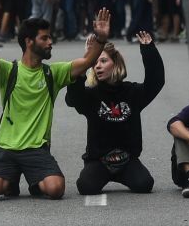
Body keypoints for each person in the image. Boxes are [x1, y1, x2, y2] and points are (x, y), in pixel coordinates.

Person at [0, 4, 110, 200]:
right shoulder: (8, 71)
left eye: (49, 37)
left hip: (37, 149)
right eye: (44, 38)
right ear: (29, 42)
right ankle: (10, 181)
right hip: (6, 148)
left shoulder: (52, 73)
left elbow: (88, 61)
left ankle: (35, 182)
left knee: (56, 189)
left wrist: (101, 39)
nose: (50, 42)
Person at [64, 31, 164, 195]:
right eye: (95, 63)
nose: (98, 66)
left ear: (116, 65)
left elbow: (156, 81)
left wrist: (148, 50)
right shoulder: (92, 95)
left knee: (144, 184)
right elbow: (73, 98)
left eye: (103, 61)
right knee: (86, 187)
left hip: (127, 160)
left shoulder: (133, 92)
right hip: (99, 161)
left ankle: (124, 174)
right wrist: (85, 61)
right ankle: (101, 174)